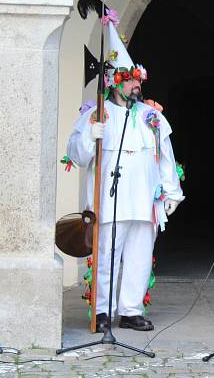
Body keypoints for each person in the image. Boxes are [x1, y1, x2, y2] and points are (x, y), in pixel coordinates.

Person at [67, 23, 184, 332]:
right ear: (114, 83)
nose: (135, 85)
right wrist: (90, 136)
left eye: (136, 80)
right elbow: (78, 156)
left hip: (145, 200)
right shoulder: (97, 113)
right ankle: (102, 310)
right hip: (110, 199)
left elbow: (166, 157)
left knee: (139, 256)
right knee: (106, 255)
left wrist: (172, 192)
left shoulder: (152, 117)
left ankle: (131, 310)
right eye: (128, 80)